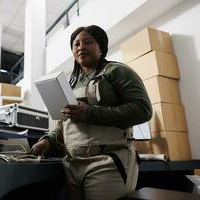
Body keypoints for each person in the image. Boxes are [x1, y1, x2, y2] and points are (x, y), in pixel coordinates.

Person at [28, 25, 152, 200]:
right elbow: (64, 124)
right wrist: (47, 141)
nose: (81, 47)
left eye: (88, 42)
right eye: (76, 44)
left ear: (101, 47)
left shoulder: (117, 71)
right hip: (73, 164)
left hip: (107, 161)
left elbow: (143, 110)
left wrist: (91, 113)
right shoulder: (69, 83)